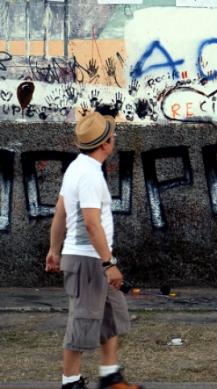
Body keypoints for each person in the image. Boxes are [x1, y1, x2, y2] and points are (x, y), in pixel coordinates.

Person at [44, 111, 143, 389]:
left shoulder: (77, 167)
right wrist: (109, 263)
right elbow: (91, 223)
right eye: (112, 135)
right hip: (90, 262)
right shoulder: (88, 175)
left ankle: (111, 377)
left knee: (112, 316)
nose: (114, 139)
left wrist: (54, 249)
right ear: (105, 144)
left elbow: (60, 214)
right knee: (82, 322)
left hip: (91, 259)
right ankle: (71, 383)